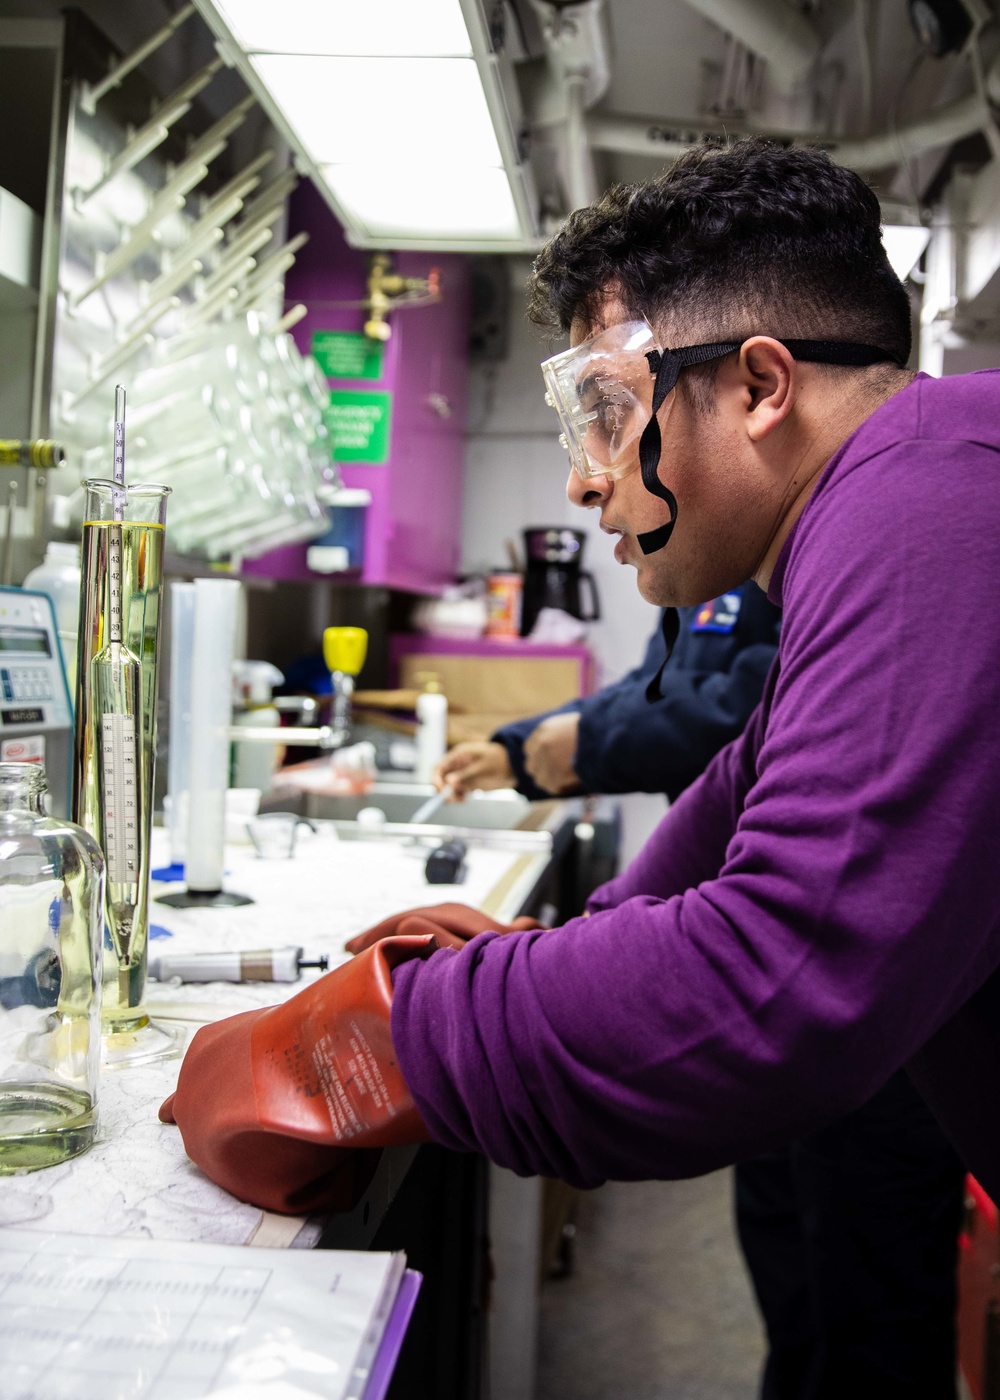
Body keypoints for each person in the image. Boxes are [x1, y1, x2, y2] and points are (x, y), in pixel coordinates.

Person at [162, 140, 1000, 1395]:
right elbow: (735, 799)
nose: (581, 471)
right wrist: (553, 952)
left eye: (606, 410)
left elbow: (774, 982)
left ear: (761, 384)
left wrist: (371, 1046)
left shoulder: (933, 503)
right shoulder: (894, 500)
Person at [440, 602, 966, 1399]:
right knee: (790, 1273)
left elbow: (757, 709)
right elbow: (662, 688)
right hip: (764, 993)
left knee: (875, 1300)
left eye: (607, 463)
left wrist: (590, 745)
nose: (591, 488)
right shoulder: (709, 574)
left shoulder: (834, 553)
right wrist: (524, 745)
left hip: (866, 989)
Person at [437, 590, 780, 802]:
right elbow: (651, 686)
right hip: (710, 846)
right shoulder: (704, 566)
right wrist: (513, 752)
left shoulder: (802, 552)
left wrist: (589, 738)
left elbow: (757, 699)